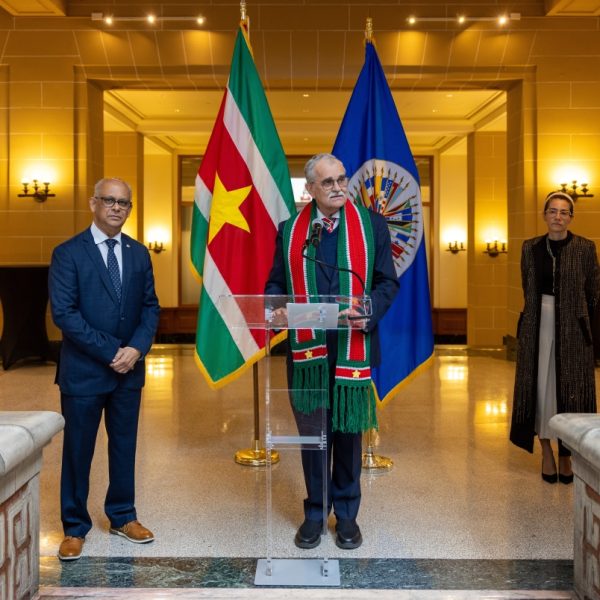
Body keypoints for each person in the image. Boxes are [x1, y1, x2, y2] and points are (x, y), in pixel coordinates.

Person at [265, 153, 398, 549]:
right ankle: (315, 512)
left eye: (342, 179)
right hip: (308, 352)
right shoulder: (290, 231)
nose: (339, 187)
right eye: (328, 182)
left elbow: (387, 283)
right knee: (313, 436)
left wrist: (368, 311)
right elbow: (275, 284)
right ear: (310, 189)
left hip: (351, 345)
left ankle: (348, 514)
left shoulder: (371, 226)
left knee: (347, 435)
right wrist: (277, 308)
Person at [49, 177, 160, 560]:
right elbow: (65, 314)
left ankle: (123, 516)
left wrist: (137, 349)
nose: (116, 207)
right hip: (84, 372)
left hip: (129, 372)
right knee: (78, 451)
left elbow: (150, 307)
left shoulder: (138, 253)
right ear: (93, 203)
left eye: (123, 203)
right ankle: (74, 527)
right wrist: (114, 351)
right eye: (109, 200)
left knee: (125, 446)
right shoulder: (68, 253)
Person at [511, 191, 600, 483]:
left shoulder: (585, 248)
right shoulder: (530, 248)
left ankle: (567, 455)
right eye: (553, 211)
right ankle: (547, 452)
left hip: (574, 333)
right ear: (544, 215)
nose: (558, 217)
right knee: (540, 393)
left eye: (564, 212)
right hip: (538, 327)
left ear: (571, 217)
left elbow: (594, 295)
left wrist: (592, 339)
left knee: (572, 394)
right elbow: (527, 288)